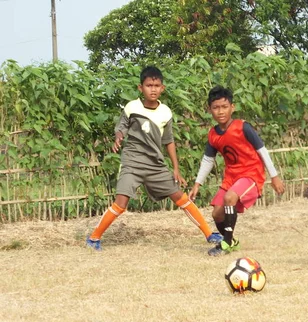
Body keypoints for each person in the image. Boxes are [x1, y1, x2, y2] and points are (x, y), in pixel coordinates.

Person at [85, 66, 222, 251]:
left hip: (155, 165)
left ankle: (209, 233)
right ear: (140, 88)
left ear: (162, 88)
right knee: (121, 204)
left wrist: (175, 168)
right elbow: (121, 127)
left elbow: (169, 141)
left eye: (157, 85)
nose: (153, 89)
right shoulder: (132, 107)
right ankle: (94, 238)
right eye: (149, 85)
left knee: (180, 198)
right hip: (132, 163)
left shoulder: (166, 112)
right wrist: (118, 137)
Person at [189, 85, 285, 256]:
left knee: (229, 198)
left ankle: (225, 244)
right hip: (231, 177)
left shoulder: (243, 127)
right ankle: (231, 240)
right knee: (217, 214)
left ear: (232, 107)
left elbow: (262, 150)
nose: (220, 111)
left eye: (224, 107)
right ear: (209, 109)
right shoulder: (213, 135)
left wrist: (274, 176)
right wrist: (198, 183)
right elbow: (208, 159)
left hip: (250, 175)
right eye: (216, 107)